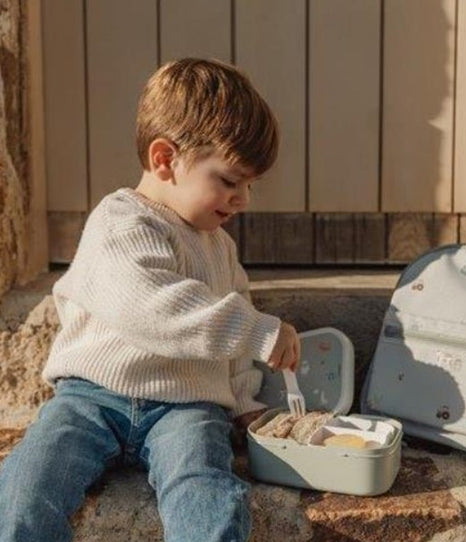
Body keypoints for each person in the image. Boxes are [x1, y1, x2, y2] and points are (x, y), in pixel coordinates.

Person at [0, 58, 300, 542]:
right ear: (165, 160)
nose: (242, 197)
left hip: (187, 406)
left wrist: (245, 400)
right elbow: (155, 309)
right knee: (24, 490)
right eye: (228, 180)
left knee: (207, 492)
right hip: (90, 397)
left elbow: (230, 341)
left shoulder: (219, 246)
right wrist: (261, 330)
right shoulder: (120, 223)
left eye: (249, 184)